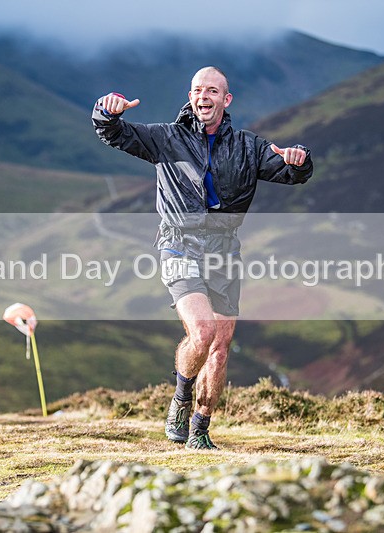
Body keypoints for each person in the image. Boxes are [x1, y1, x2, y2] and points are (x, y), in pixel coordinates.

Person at [92, 66, 313, 449]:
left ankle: (200, 428)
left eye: (212, 90)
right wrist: (107, 110)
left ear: (226, 100)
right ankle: (180, 399)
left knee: (220, 347)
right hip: (179, 243)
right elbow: (113, 133)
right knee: (203, 332)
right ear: (191, 96)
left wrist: (299, 159)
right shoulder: (166, 138)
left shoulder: (248, 147)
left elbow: (292, 173)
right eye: (198, 90)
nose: (203, 96)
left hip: (225, 251)